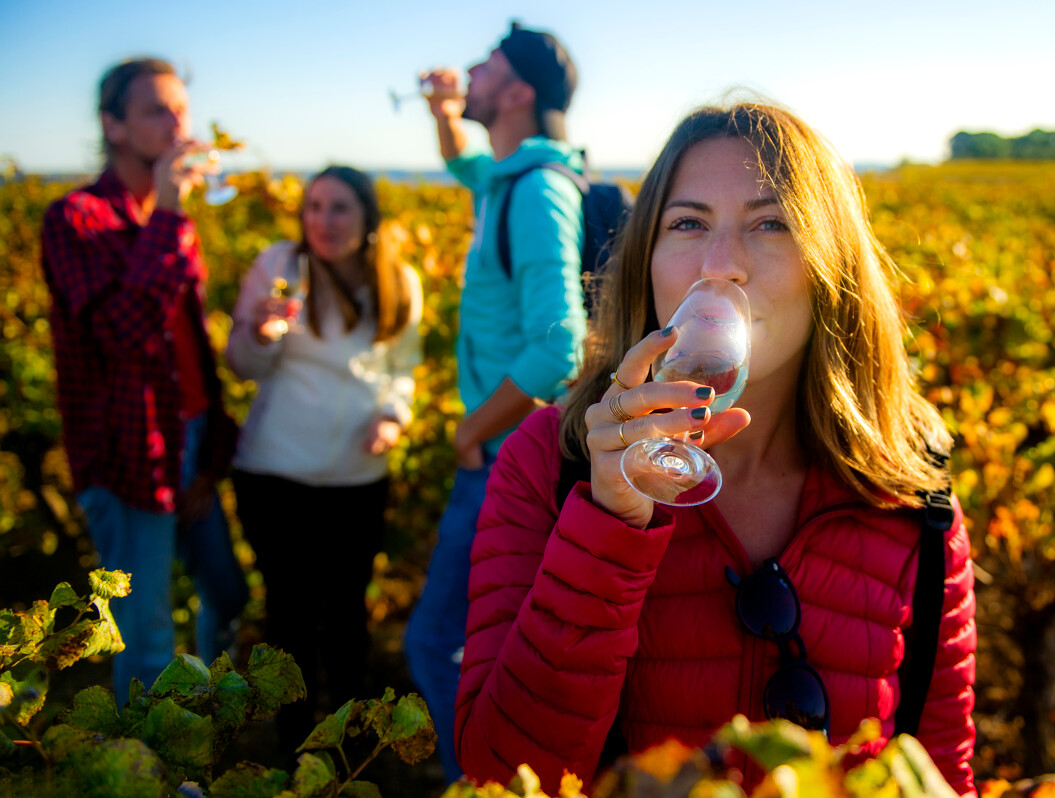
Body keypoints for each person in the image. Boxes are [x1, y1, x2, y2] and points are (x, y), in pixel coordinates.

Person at [454, 102, 978, 796]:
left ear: (832, 266)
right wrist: (609, 525)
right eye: (688, 224)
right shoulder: (549, 464)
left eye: (770, 223)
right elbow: (500, 776)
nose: (721, 265)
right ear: (646, 262)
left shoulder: (915, 497)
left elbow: (938, 777)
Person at [404, 22, 588, 782]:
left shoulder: (537, 193)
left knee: (436, 641)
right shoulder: (508, 179)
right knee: (484, 644)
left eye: (484, 67)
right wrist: (444, 110)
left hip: (501, 452)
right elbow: (463, 161)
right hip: (500, 447)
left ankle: (479, 780)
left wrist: (467, 432)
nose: (469, 71)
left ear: (516, 92)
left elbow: (559, 347)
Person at [40, 57, 247, 706]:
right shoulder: (77, 219)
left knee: (227, 592)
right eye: (158, 109)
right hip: (128, 455)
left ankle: (207, 723)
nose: (177, 122)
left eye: (181, 108)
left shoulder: (170, 220)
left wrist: (211, 446)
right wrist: (169, 209)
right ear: (115, 126)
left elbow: (184, 344)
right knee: (148, 631)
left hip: (187, 438)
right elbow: (124, 335)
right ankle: (148, 769)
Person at [226, 166, 423, 752]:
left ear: (366, 218)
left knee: (346, 615)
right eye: (314, 206)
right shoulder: (280, 266)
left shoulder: (398, 280)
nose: (323, 220)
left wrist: (393, 417)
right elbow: (241, 366)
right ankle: (295, 750)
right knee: (288, 617)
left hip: (358, 478)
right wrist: (260, 334)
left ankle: (347, 750)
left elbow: (401, 372)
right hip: (274, 474)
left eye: (339, 208)